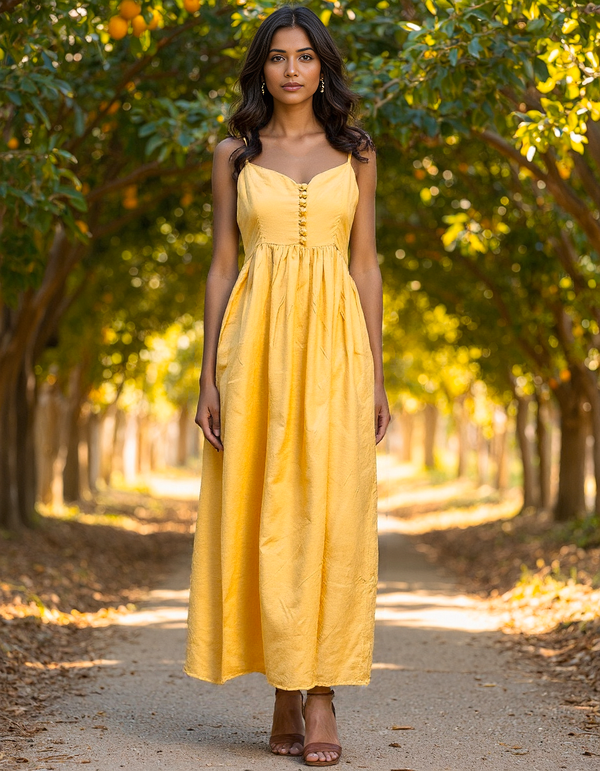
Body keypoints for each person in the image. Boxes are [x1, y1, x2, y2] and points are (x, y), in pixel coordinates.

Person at [185, 5, 390, 767]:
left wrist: (377, 372)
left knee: (333, 513)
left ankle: (321, 692)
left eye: (305, 56)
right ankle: (282, 681)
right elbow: (221, 267)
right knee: (266, 509)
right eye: (278, 57)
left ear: (323, 67)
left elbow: (365, 265)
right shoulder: (233, 154)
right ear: (261, 69)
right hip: (256, 350)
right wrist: (207, 377)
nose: (292, 69)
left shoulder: (356, 152)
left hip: (337, 349)